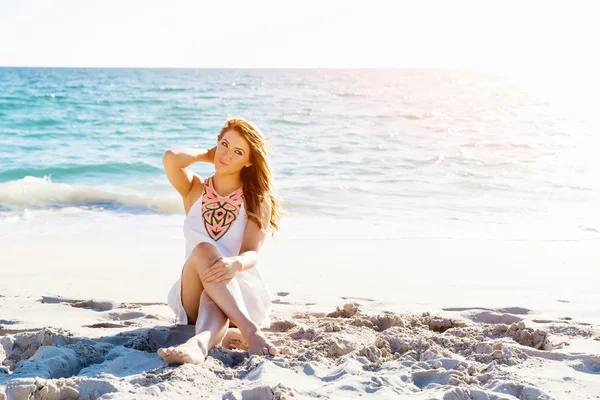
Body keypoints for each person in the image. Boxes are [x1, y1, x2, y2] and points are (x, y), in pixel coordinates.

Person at [157, 117, 284, 365]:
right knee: (204, 250)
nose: (227, 155)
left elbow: (251, 252)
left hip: (236, 288)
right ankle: (250, 331)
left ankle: (199, 344)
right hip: (192, 287)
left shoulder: (257, 199)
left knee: (213, 291)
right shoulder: (194, 188)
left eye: (237, 152)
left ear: (248, 161)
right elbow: (172, 157)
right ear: (216, 144)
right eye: (224, 145)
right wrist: (209, 155)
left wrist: (235, 263)